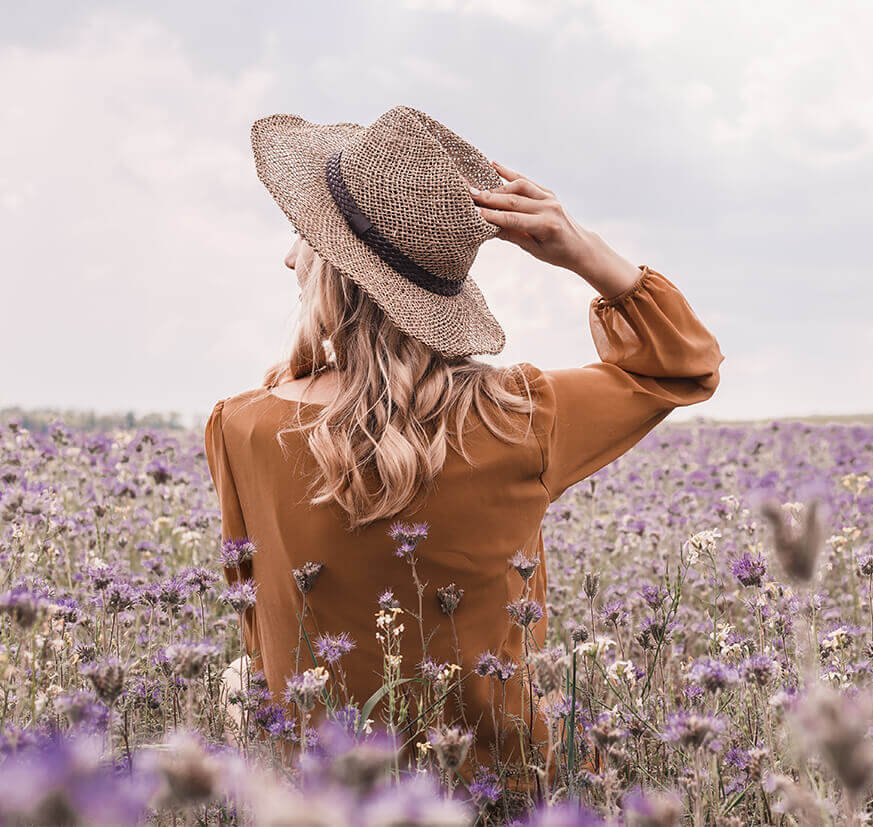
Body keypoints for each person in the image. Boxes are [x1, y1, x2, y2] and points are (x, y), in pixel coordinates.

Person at [204, 105, 723, 801]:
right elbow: (681, 364)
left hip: (332, 801)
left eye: (302, 235)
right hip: (514, 795)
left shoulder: (240, 430)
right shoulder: (522, 416)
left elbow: (264, 642)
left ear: (331, 270)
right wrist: (582, 250)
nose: (289, 255)